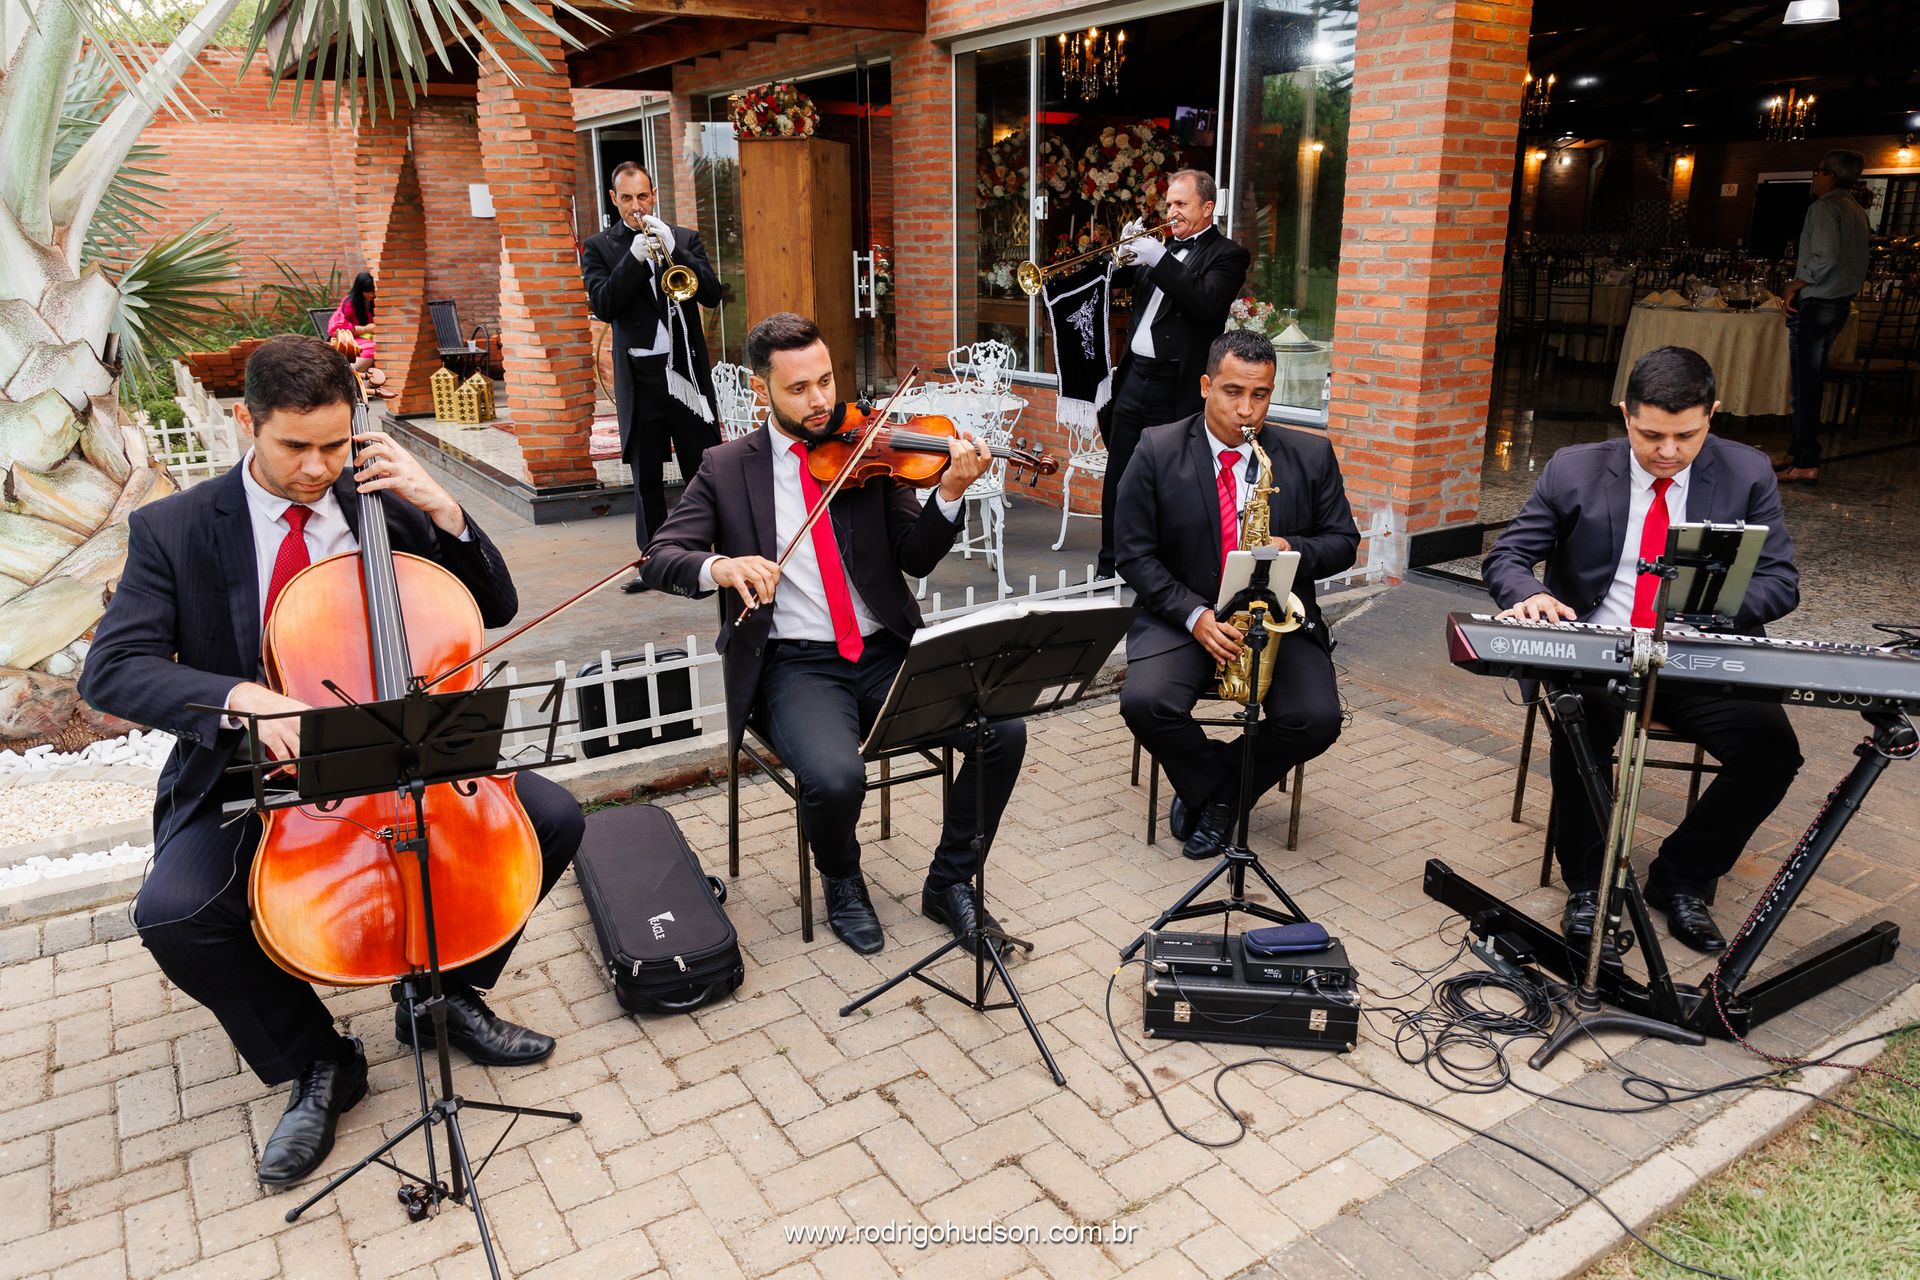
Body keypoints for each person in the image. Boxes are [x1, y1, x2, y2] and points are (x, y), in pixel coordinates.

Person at [78, 336, 584, 1189]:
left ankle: (443, 997)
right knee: (174, 914)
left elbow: (494, 603)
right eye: (296, 447)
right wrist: (244, 698)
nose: (320, 469)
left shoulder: (383, 499)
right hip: (259, 777)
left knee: (555, 820)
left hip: (405, 759)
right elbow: (113, 669)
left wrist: (447, 511)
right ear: (249, 423)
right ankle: (318, 1062)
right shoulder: (174, 530)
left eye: (337, 445)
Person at [642, 313, 1026, 956]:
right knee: (836, 777)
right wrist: (721, 565)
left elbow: (917, 555)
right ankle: (843, 880)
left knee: (1002, 732)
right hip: (796, 666)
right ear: (763, 388)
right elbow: (661, 554)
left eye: (826, 381)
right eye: (799, 388)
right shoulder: (726, 467)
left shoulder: (869, 444)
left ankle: (951, 880)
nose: (820, 401)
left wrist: (951, 493)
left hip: (885, 652)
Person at [1482, 345, 1802, 955]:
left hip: (1695, 655)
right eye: (1650, 434)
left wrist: (1708, 608)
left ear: (1713, 414)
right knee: (1582, 732)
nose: (1667, 452)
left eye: (1686, 436)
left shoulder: (1747, 472)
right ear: (1625, 413)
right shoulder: (1574, 468)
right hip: (1598, 649)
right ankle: (1587, 886)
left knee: (1772, 753)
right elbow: (1507, 556)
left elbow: (1781, 583)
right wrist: (1531, 595)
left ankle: (1682, 876)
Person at [1116, 330, 1357, 859]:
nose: (1246, 410)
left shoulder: (1310, 454)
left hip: (1274, 620)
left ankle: (1219, 792)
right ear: (1205, 386)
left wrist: (1289, 545)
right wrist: (1195, 615)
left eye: (1261, 395)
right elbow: (1132, 554)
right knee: (1144, 702)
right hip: (1183, 612)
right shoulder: (1156, 449)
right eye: (1232, 392)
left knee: (1318, 719)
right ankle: (1222, 789)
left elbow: (1343, 543)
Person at [1096, 168, 1250, 579]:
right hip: (1134, 378)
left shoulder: (1227, 255)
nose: (1172, 212)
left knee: (1167, 478)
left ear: (1208, 208)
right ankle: (1110, 563)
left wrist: (1159, 259)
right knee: (1121, 474)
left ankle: (1159, 568)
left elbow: (1206, 304)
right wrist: (1121, 254)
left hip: (1174, 383)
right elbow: (1114, 282)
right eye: (1169, 205)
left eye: (1181, 204)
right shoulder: (1159, 252)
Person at [580, 161, 724, 592]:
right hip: (640, 376)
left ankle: (710, 558)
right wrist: (633, 258)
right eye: (626, 198)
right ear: (613, 199)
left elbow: (713, 294)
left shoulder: (682, 238)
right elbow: (603, 305)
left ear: (654, 193)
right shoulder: (600, 247)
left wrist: (673, 252)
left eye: (642, 196)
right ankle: (653, 564)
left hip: (686, 374)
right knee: (646, 478)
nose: (636, 206)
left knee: (703, 468)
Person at [1778, 148, 1871, 486]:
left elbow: (1826, 256)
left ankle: (1804, 461)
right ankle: (1798, 449)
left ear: (1830, 175)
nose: (1814, 177)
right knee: (1810, 382)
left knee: (1805, 384)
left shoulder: (1824, 207)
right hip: (1841, 302)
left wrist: (1796, 283)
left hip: (1818, 302)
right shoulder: (1856, 210)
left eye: (1817, 171)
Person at [325, 271, 377, 372]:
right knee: (373, 348)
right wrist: (365, 329)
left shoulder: (375, 302)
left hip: (368, 338)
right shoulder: (349, 303)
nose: (371, 294)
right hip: (349, 340)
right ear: (359, 290)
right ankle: (352, 374)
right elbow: (336, 328)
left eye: (373, 291)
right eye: (367, 291)